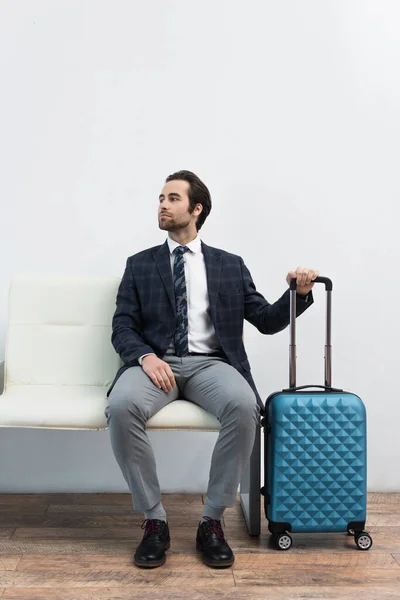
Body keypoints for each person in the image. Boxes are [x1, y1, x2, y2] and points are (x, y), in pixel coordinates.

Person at [104, 170, 318, 569]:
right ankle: (154, 521)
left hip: (211, 365)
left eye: (172, 198)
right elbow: (122, 326)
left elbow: (266, 319)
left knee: (242, 406)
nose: (162, 205)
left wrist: (297, 294)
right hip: (155, 364)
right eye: (160, 198)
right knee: (120, 406)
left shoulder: (228, 265)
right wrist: (146, 358)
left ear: (196, 208)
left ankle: (212, 522)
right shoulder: (140, 265)